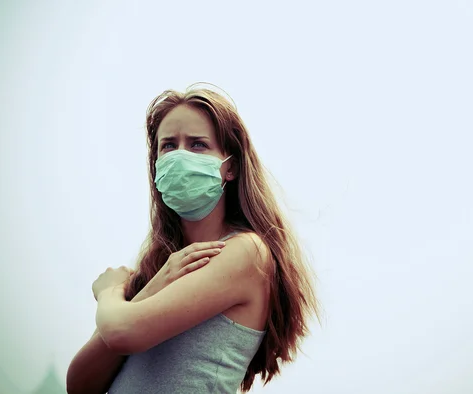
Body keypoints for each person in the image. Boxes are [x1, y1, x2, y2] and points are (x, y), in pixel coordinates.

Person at [66, 84, 319, 393]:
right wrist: (155, 285)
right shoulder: (163, 267)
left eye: (198, 145)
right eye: (169, 146)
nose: (180, 157)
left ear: (231, 167)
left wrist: (110, 291)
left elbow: (120, 332)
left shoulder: (247, 252)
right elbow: (79, 384)